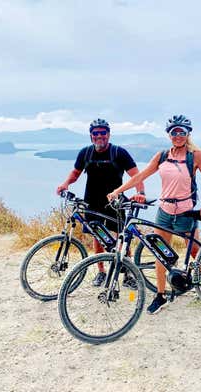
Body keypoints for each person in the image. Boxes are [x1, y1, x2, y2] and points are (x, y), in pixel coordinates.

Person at [107, 114, 201, 314]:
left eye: (181, 132)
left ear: (188, 134)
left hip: (186, 210)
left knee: (194, 250)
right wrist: (118, 191)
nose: (178, 135)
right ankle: (160, 295)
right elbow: (141, 175)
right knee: (159, 251)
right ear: (168, 134)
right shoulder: (161, 156)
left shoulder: (196, 156)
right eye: (174, 132)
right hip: (165, 211)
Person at [56, 118, 146, 287]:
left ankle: (128, 274)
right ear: (91, 136)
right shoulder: (86, 153)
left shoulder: (119, 153)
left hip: (116, 202)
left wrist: (140, 193)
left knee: (122, 237)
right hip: (92, 201)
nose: (99, 136)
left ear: (108, 134)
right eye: (95, 133)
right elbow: (75, 173)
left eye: (102, 133)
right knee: (97, 236)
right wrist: (65, 184)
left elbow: (136, 176)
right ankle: (101, 272)